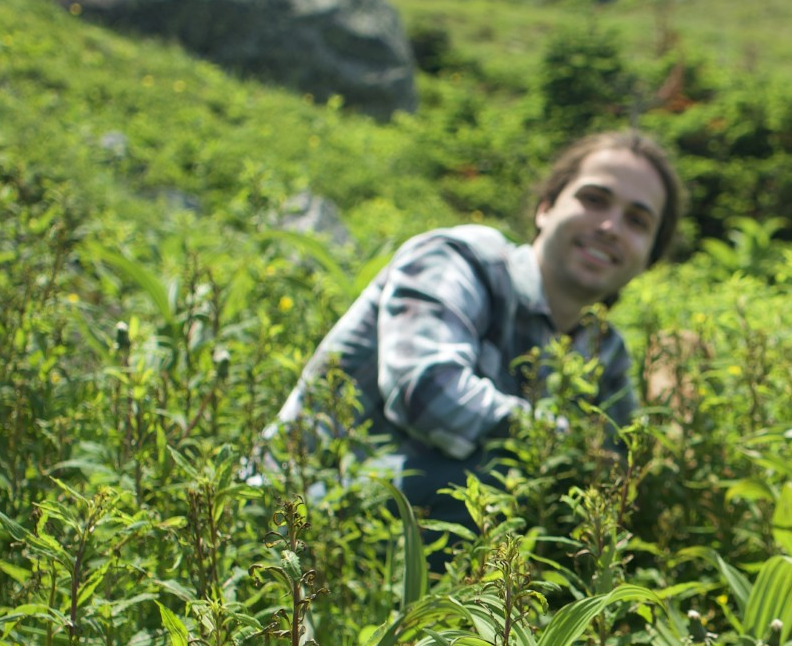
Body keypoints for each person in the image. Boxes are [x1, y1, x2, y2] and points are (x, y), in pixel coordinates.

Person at [271, 130, 685, 535]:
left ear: (649, 256)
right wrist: (563, 442)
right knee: (499, 489)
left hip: (418, 529)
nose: (610, 226)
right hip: (295, 512)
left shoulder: (604, 350)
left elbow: (618, 476)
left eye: (637, 221)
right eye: (594, 199)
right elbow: (426, 390)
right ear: (545, 207)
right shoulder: (461, 260)